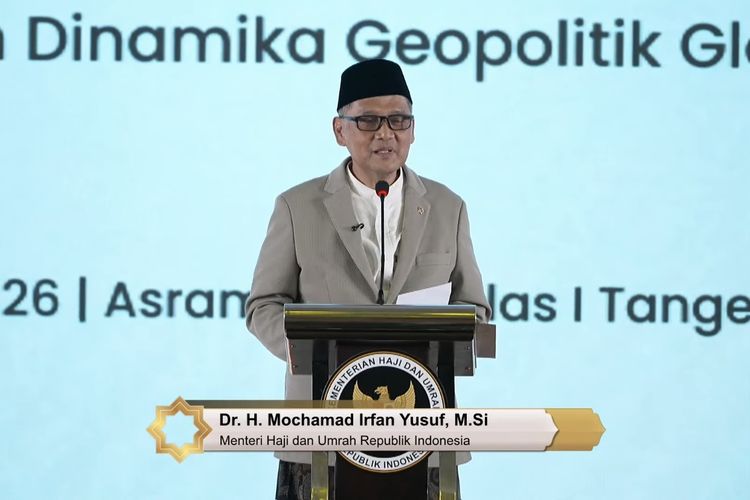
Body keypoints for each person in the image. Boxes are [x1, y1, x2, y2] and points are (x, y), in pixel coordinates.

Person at [245, 58, 490, 500]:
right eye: (369, 120)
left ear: (413, 129)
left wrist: (456, 335)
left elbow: (476, 310)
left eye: (398, 120)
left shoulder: (448, 206)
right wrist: (312, 352)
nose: (385, 133)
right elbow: (263, 305)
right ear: (339, 130)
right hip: (319, 429)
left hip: (423, 430)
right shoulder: (296, 206)